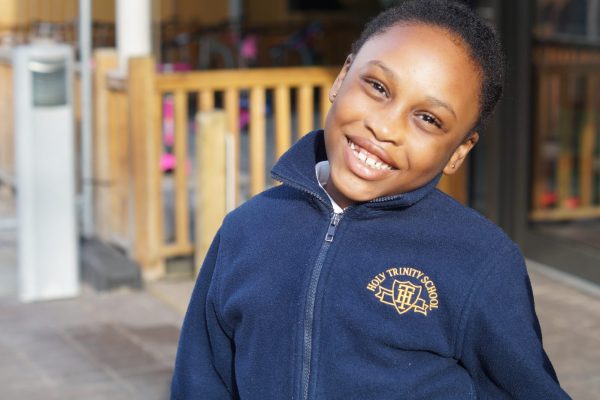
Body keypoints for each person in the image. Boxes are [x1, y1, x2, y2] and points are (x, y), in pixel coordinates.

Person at [171, 1, 571, 399]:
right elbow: (200, 381)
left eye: (428, 119)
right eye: (378, 87)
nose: (385, 128)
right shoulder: (246, 230)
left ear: (459, 151)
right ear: (342, 77)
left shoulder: (481, 260)